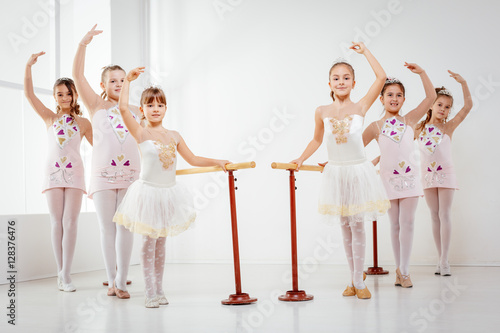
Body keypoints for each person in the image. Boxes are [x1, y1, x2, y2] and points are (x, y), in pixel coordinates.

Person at [113, 67, 230, 308]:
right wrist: (128, 82)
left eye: (160, 105)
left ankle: (159, 288)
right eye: (150, 105)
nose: (155, 109)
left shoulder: (174, 135)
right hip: (148, 193)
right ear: (143, 109)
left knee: (162, 242)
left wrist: (217, 162)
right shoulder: (141, 132)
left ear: (166, 108)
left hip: (168, 193)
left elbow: (194, 159)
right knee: (148, 241)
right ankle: (149, 292)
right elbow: (123, 109)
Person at [291, 42, 389, 299]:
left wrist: (366, 51)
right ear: (329, 83)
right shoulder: (321, 111)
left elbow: (381, 77)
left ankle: (360, 280)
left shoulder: (361, 107)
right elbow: (316, 140)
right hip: (336, 172)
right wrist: (300, 159)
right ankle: (353, 278)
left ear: (354, 83)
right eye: (336, 78)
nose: (341, 82)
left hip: (357, 171)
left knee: (358, 226)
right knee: (344, 227)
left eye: (346, 78)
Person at [73, 25, 140, 298]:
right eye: (113, 81)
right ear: (103, 85)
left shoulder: (136, 110)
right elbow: (77, 75)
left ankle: (123, 281)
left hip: (131, 174)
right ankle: (111, 279)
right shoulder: (96, 106)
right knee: (107, 227)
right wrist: (84, 43)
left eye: (123, 80)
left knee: (126, 225)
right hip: (102, 175)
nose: (119, 85)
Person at [362, 63, 436, 288]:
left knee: (408, 222)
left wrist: (422, 73)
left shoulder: (410, 120)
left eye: (399, 95)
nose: (394, 98)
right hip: (388, 180)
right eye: (390, 94)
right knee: (394, 224)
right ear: (381, 99)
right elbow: (356, 148)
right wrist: (334, 161)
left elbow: (431, 97)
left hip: (410, 179)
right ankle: (398, 270)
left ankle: (405, 271)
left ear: (404, 100)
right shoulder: (375, 126)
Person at [24, 51, 92, 292]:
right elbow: (30, 95)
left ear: (75, 95)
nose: (65, 97)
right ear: (54, 97)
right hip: (52, 173)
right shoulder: (49, 118)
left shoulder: (84, 123)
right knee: (57, 222)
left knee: (71, 222)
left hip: (75, 174)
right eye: (60, 94)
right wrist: (29, 66)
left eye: (68, 93)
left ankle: (66, 273)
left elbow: (102, 147)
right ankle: (60, 272)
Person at [415, 71, 472, 276]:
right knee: (434, 215)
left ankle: (445, 260)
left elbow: (467, 107)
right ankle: (440, 258)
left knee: (444, 213)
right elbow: (399, 144)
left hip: (446, 174)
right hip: (428, 175)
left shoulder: (449, 127)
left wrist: (463, 82)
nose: (443, 109)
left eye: (447, 107)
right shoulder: (419, 128)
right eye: (439, 104)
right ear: (431, 104)